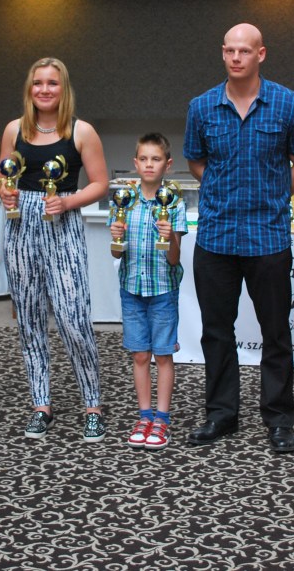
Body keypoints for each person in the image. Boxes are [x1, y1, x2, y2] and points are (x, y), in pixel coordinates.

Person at [184, 23, 294, 454]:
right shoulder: (201, 107)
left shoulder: (288, 103)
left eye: (245, 51)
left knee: (275, 333)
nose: (236, 58)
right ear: (223, 53)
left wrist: (274, 193)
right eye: (230, 50)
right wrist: (222, 190)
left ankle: (279, 419)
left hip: (268, 238)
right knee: (216, 331)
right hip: (216, 238)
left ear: (261, 54)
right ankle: (221, 414)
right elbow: (196, 161)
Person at [0, 57, 110, 442]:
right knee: (29, 320)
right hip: (20, 228)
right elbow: (3, 176)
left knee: (72, 318)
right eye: (38, 83)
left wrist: (68, 201)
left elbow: (100, 183)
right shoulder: (14, 129)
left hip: (63, 224)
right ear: (29, 89)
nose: (44, 90)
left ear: (64, 89)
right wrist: (6, 191)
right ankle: (41, 404)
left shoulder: (81, 131)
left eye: (52, 83)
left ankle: (92, 405)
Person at [108, 132, 188, 450]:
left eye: (156, 159)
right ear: (135, 163)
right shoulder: (124, 201)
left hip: (163, 289)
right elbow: (116, 253)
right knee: (140, 354)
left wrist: (170, 237)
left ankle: (162, 419)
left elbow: (175, 258)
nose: (149, 164)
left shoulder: (174, 203)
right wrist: (116, 235)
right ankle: (144, 416)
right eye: (143, 159)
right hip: (131, 289)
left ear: (167, 164)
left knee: (163, 354)